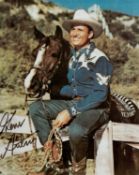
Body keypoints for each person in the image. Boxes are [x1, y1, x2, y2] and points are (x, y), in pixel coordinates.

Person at [29, 9, 113, 175]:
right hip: (73, 101)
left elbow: (100, 94)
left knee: (76, 130)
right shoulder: (69, 58)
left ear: (90, 35)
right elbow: (72, 88)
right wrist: (55, 88)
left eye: (80, 30)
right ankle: (56, 164)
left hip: (97, 107)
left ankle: (78, 171)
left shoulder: (99, 58)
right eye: (73, 29)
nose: (74, 33)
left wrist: (70, 111)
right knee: (36, 108)